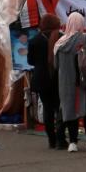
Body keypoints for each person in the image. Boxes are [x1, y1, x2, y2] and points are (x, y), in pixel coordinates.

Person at [54, 12, 86, 152]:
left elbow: (56, 66)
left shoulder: (59, 43)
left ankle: (72, 143)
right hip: (84, 83)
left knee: (70, 111)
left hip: (65, 84)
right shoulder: (83, 38)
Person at [27, 14, 62, 149]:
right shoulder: (61, 38)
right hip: (57, 78)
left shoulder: (35, 40)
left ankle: (51, 140)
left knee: (47, 108)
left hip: (41, 79)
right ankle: (60, 138)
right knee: (59, 108)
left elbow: (30, 61)